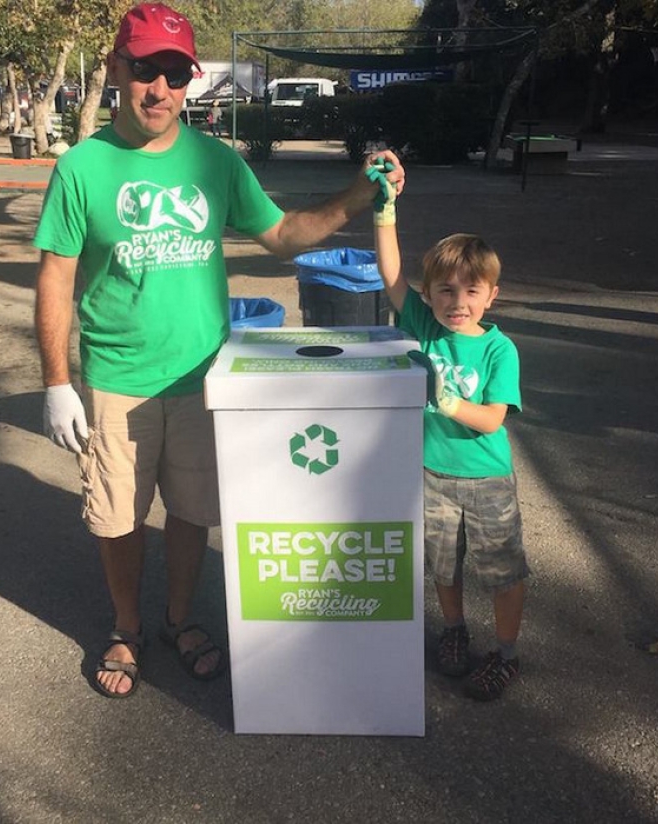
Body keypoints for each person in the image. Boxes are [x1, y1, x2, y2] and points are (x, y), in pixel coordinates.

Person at [33, 2, 405, 699]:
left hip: (206, 375)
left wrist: (356, 196)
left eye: (175, 75)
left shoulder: (214, 161)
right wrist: (57, 381)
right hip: (118, 378)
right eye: (146, 70)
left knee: (192, 510)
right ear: (118, 68)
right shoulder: (82, 168)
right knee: (117, 517)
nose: (160, 90)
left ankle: (177, 620)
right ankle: (126, 627)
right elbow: (54, 276)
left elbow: (283, 235)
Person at [372, 171, 527, 701]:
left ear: (491, 296)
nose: (456, 300)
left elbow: (493, 420)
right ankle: (455, 629)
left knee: (503, 572)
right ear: (430, 294)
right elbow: (390, 274)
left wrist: (449, 401)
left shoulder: (498, 351)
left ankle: (506, 654)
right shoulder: (424, 326)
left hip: (486, 479)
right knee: (443, 563)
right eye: (445, 289)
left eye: (471, 290)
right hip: (432, 474)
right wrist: (385, 209)